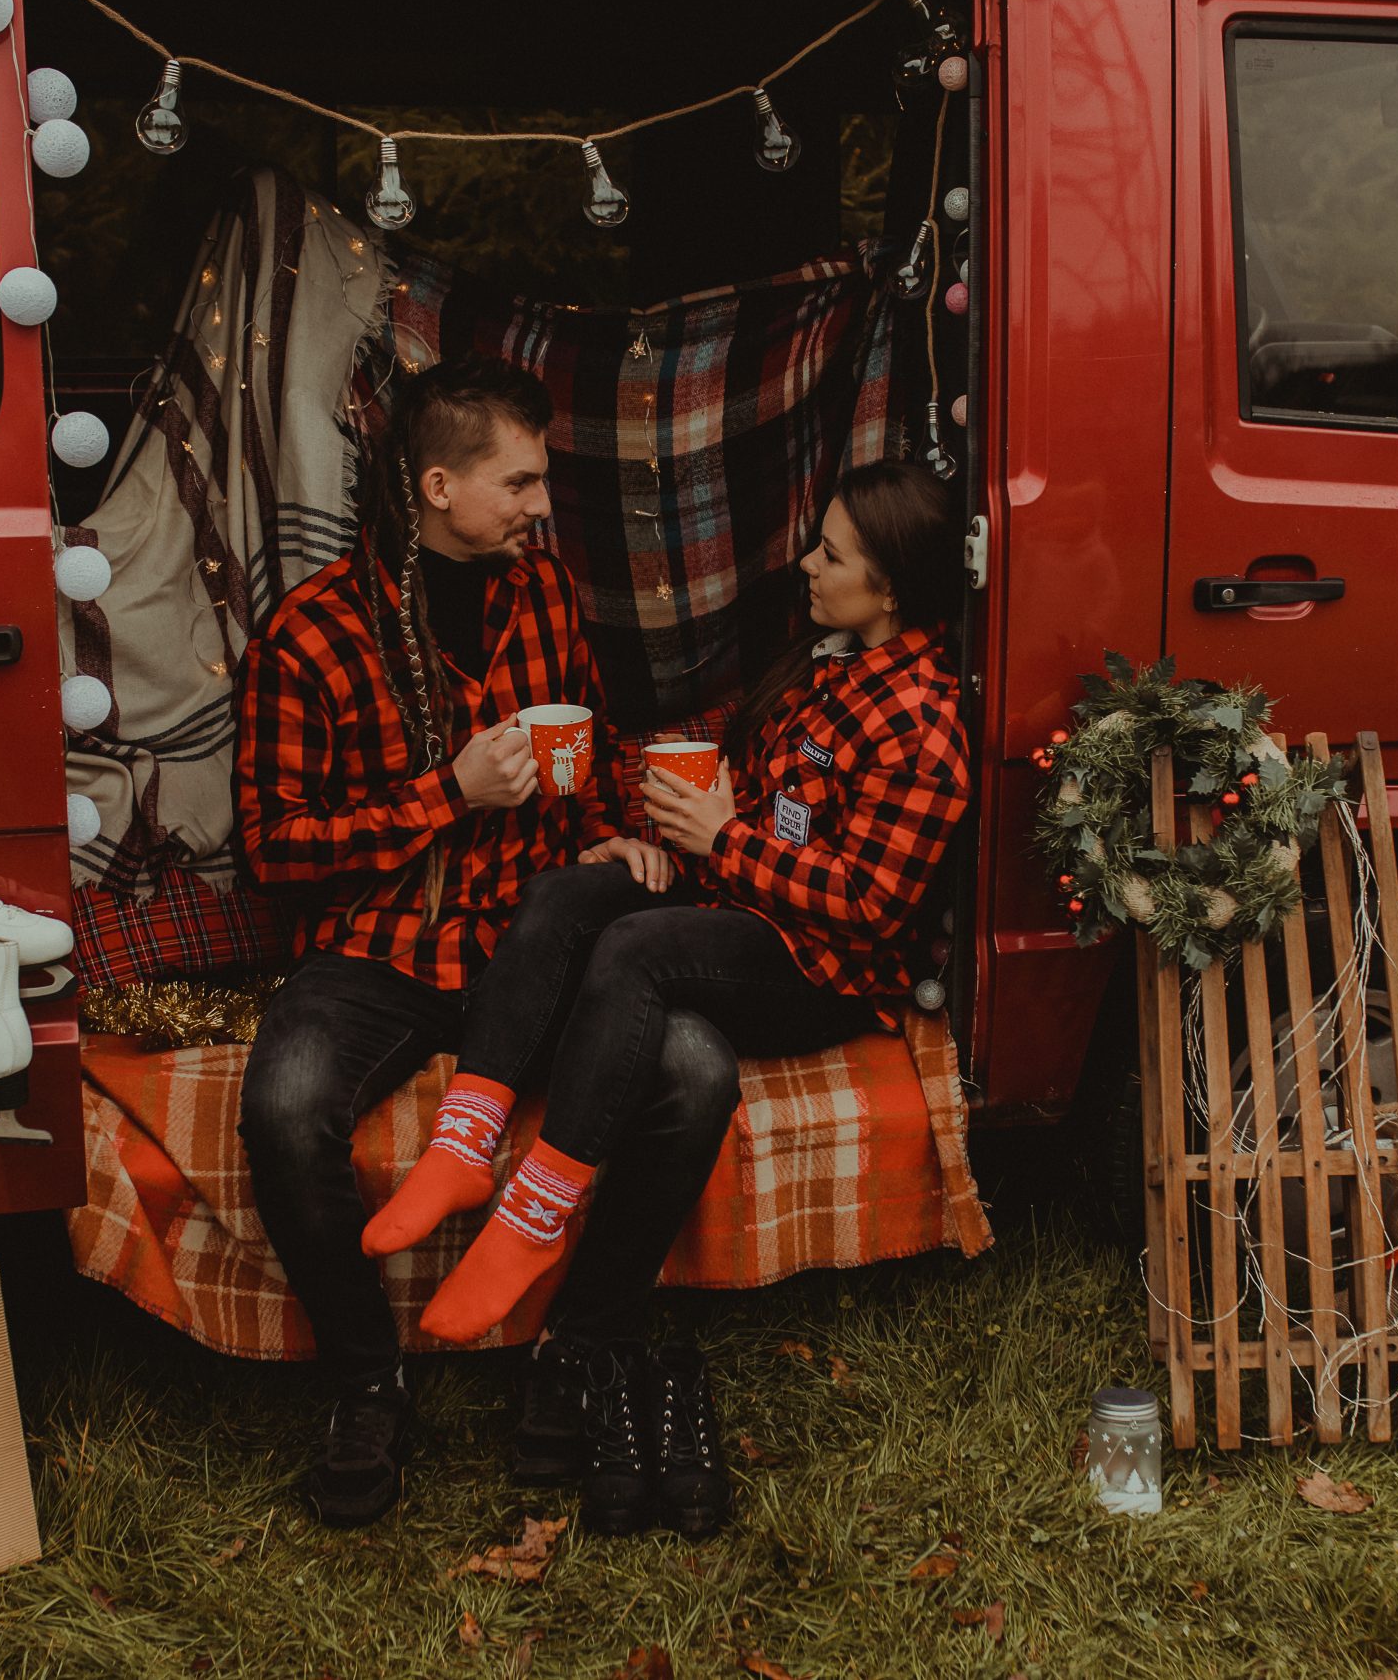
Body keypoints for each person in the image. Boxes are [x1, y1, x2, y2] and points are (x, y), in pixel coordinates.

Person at [363, 458, 972, 1537]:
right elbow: (726, 756)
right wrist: (641, 823)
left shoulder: (921, 722)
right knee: (565, 894)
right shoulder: (828, 661)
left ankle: (533, 1220)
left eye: (833, 555)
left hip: (817, 969)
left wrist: (723, 843)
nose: (807, 564)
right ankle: (464, 1146)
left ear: (891, 588)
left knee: (639, 951)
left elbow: (870, 906)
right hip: (735, 899)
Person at [233, 355, 740, 1529]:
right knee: (283, 1103)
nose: (540, 504)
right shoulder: (310, 637)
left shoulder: (544, 592)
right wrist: (444, 793)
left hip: (533, 936)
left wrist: (620, 831)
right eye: (517, 483)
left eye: (540, 480)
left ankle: (579, 1348)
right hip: (381, 946)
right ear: (436, 485)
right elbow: (273, 851)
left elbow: (599, 741)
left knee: (695, 1071)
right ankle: (367, 1377)